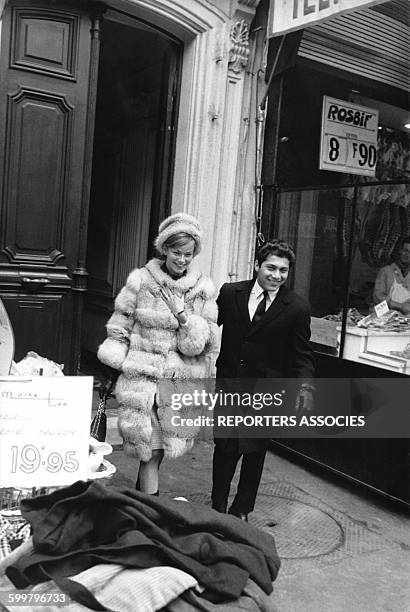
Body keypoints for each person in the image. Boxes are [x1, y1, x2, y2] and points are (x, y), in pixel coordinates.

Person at [98, 213, 218, 494]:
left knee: (158, 452)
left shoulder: (202, 289)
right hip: (143, 379)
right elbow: (119, 326)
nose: (182, 259)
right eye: (177, 252)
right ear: (164, 248)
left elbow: (206, 341)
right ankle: (151, 509)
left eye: (188, 254)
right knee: (150, 451)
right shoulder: (140, 280)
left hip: (178, 382)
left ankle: (141, 503)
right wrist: (113, 365)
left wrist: (185, 319)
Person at [211, 239, 315, 521]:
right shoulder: (230, 293)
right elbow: (207, 327)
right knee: (225, 446)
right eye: (271, 267)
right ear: (257, 265)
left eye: (283, 270)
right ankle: (217, 502)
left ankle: (242, 508)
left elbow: (302, 354)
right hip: (231, 383)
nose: (276, 275)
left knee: (255, 450)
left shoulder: (296, 307)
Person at [373, 237, 410, 314]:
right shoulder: (386, 271)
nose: (407, 255)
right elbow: (377, 298)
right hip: (384, 318)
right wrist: (400, 306)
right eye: (405, 251)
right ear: (400, 251)